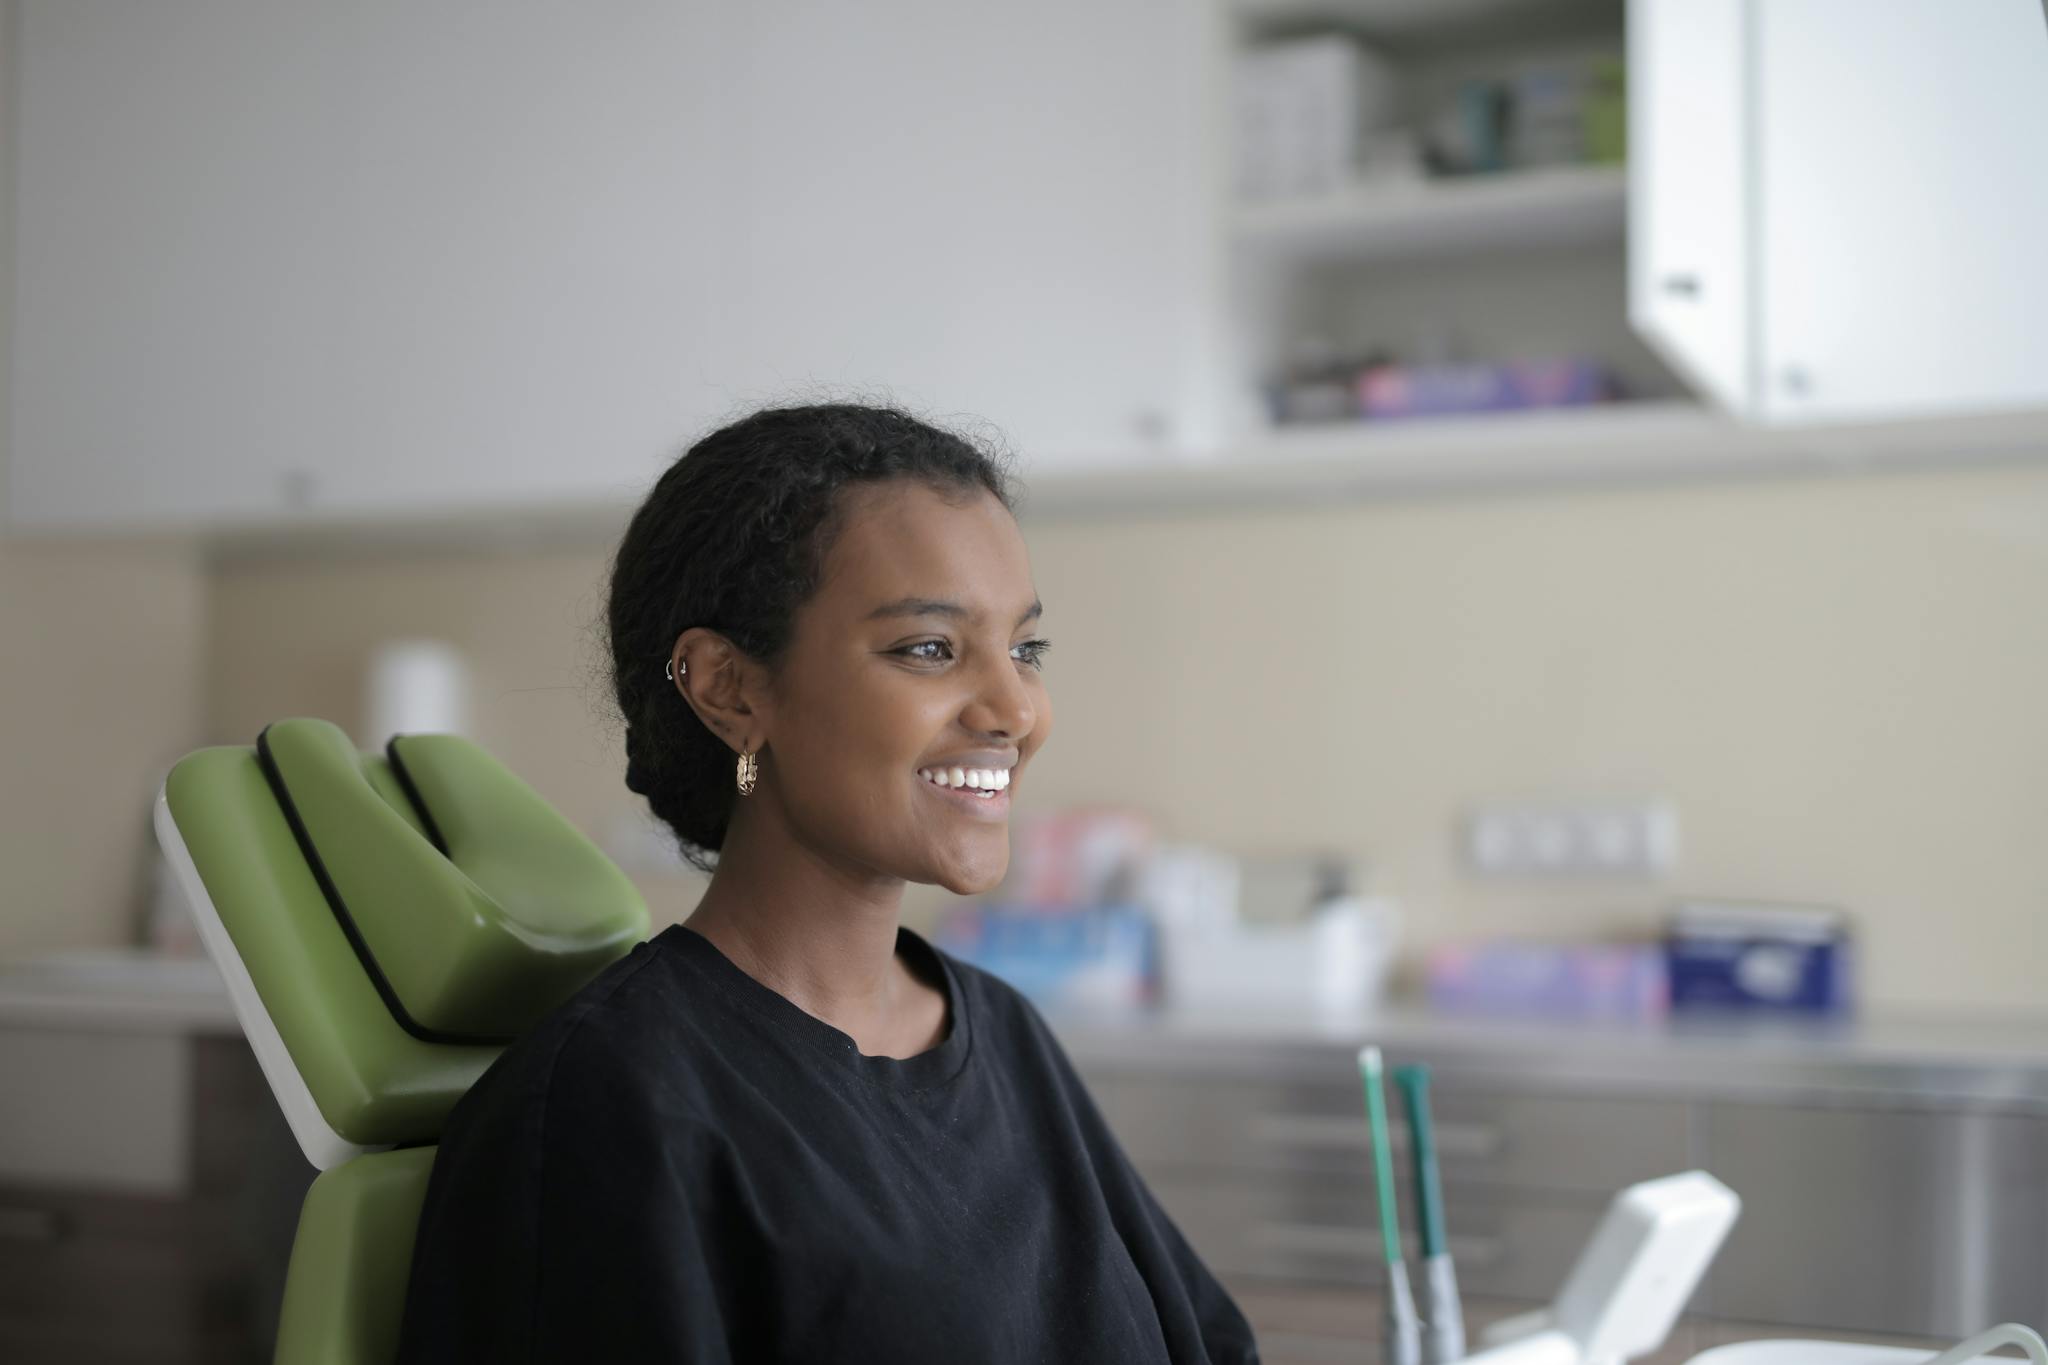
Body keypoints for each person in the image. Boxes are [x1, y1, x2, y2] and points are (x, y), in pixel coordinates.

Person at [392, 403, 1260, 1363]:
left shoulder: (1000, 1031)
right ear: (730, 688)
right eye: (928, 648)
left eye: (1025, 648)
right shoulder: (612, 1105)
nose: (1017, 707)